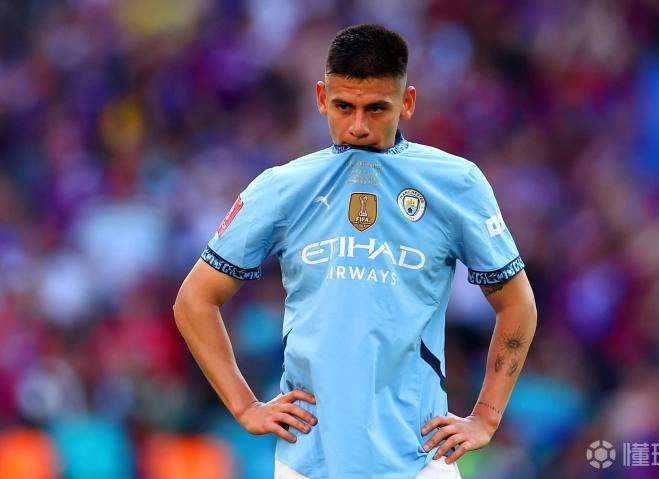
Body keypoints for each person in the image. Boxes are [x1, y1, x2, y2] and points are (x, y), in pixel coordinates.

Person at [173, 24, 537, 479]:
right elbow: (194, 300)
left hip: (420, 459)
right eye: (344, 106)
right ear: (321, 98)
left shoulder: (456, 183)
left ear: (407, 102)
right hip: (308, 462)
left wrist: (486, 416)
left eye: (376, 108)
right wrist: (246, 406)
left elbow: (517, 303)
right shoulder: (283, 188)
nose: (358, 126)